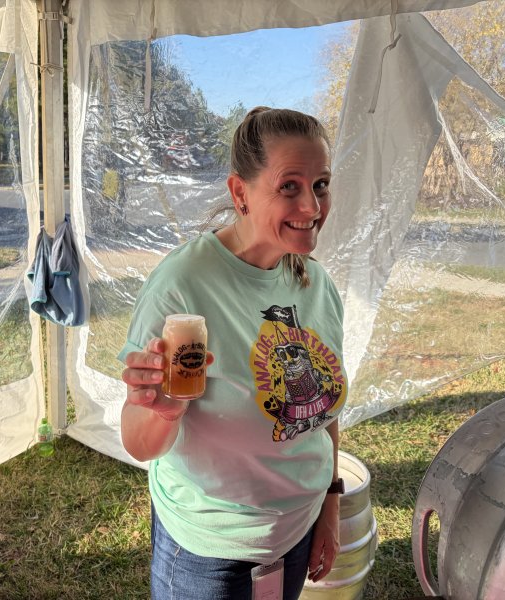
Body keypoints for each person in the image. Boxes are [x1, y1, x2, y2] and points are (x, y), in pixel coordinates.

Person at [118, 107, 348, 600]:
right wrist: (163, 410)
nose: (312, 206)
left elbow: (324, 410)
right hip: (211, 551)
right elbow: (139, 443)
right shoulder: (184, 285)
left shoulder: (317, 284)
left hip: (298, 529)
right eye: (289, 186)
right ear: (240, 193)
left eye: (321, 184)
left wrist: (329, 503)